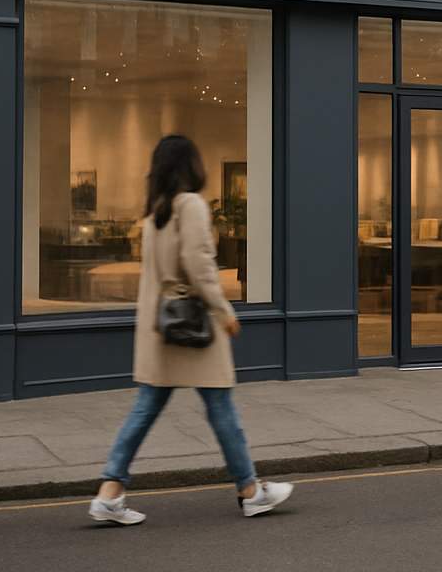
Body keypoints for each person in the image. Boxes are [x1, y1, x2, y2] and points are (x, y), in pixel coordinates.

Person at [89, 135, 292, 525]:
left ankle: (110, 492)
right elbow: (199, 265)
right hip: (194, 326)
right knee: (221, 407)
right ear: (191, 166)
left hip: (162, 328)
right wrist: (224, 310)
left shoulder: (155, 214)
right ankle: (250, 491)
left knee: (147, 408)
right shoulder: (192, 206)